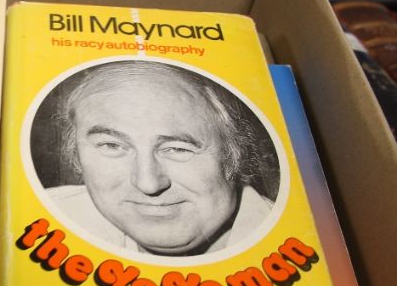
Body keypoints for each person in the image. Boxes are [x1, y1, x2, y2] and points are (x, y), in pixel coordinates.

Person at [46, 60, 277, 257]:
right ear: (76, 155)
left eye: (177, 149)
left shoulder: (286, 237)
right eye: (112, 145)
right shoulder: (44, 222)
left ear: (236, 155)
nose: (148, 184)